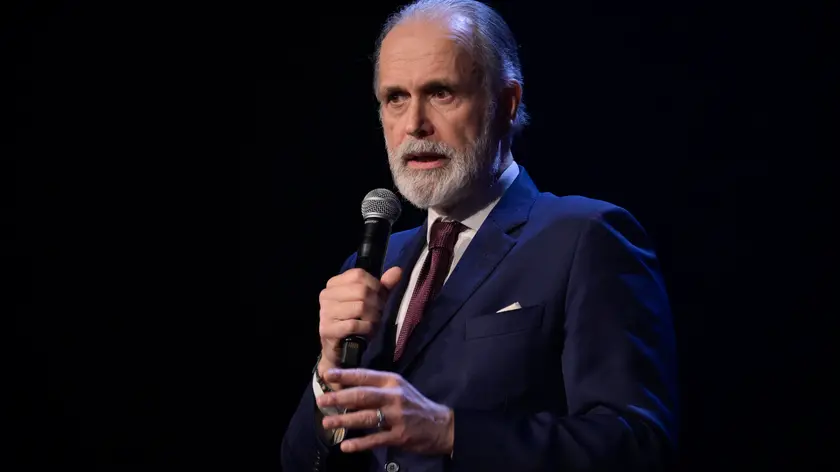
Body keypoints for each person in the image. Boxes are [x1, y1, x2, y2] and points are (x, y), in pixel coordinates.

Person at [281, 0, 678, 470]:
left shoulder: (585, 238)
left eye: (441, 93)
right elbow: (298, 462)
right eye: (396, 98)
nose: (414, 124)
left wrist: (451, 432)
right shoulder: (373, 264)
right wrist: (329, 370)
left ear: (506, 103)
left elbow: (637, 445)